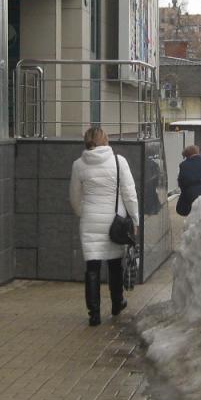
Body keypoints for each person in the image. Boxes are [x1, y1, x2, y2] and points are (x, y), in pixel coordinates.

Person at [68, 127, 140, 326]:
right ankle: (117, 304)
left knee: (92, 267)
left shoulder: (78, 165)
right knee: (115, 265)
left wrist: (83, 212)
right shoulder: (119, 161)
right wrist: (135, 220)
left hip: (89, 220)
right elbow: (129, 194)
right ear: (106, 140)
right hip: (114, 221)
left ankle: (94, 314)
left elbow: (74, 197)